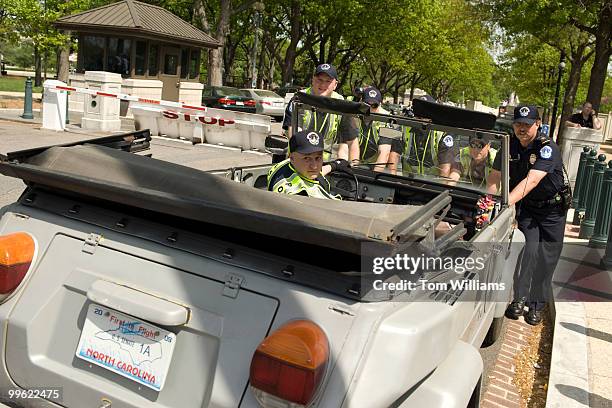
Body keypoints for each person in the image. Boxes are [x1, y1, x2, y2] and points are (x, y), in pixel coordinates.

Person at [486, 104, 568, 325]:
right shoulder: (508, 144)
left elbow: (532, 180)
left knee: (546, 259)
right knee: (528, 251)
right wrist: (487, 203)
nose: (522, 129)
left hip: (553, 210)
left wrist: (505, 204)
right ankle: (519, 299)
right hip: (529, 208)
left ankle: (536, 305)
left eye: (527, 124)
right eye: (518, 124)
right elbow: (495, 177)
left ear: (538, 125)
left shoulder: (546, 147)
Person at [282, 63, 358, 161]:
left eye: (328, 81)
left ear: (335, 85)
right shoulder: (299, 99)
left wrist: (352, 168)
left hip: (325, 164)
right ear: (313, 80)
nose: (323, 85)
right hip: (299, 160)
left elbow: (351, 141)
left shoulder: (341, 104)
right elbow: (294, 134)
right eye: (319, 80)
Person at [267, 129, 348, 199]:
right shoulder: (296, 193)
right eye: (307, 158)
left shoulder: (288, 166)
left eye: (318, 158)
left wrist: (335, 165)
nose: (314, 166)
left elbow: (318, 172)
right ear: (292, 158)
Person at [340, 86, 403, 173]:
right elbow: (345, 145)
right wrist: (351, 171)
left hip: (377, 165)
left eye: (374, 105)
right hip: (355, 162)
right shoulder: (352, 116)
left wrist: (373, 177)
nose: (370, 109)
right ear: (361, 102)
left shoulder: (389, 121)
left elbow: (384, 153)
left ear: (380, 104)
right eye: (367, 105)